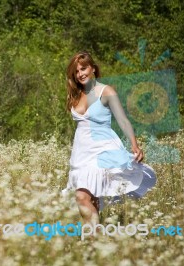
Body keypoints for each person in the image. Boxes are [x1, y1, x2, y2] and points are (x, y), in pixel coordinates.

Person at [62, 51, 156, 225]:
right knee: (90, 200)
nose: (80, 74)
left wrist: (134, 145)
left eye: (83, 68)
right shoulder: (76, 94)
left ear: (93, 69)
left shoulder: (106, 91)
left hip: (101, 150)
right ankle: (95, 245)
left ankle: (94, 240)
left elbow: (123, 120)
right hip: (81, 153)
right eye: (76, 71)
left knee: (82, 197)